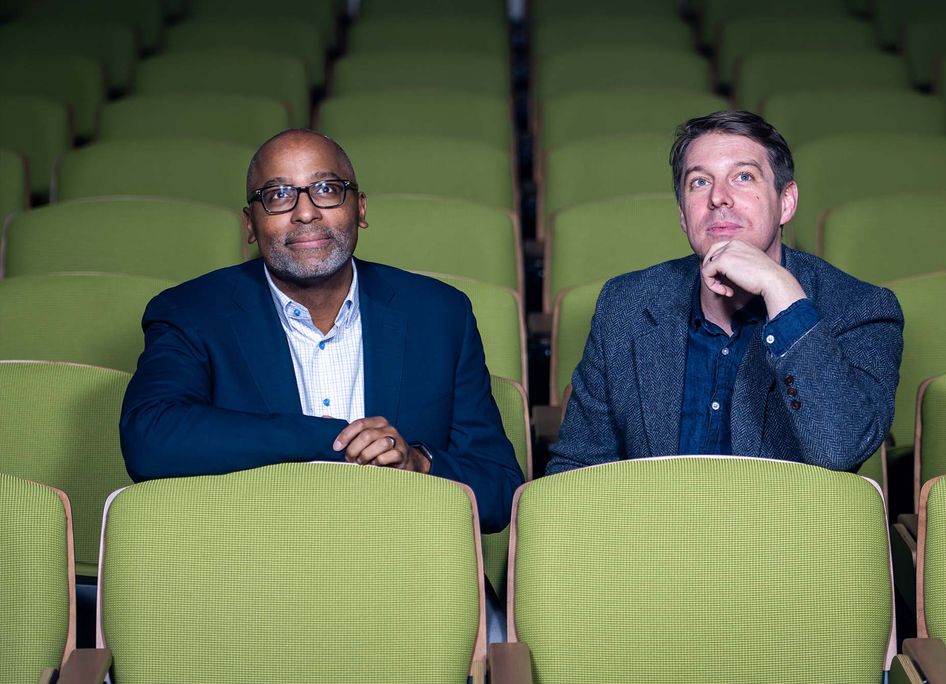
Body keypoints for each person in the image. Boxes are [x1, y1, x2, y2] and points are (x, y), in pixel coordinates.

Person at [120, 129, 524, 534]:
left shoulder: (439, 314)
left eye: (326, 189)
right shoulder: (192, 311)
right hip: (253, 567)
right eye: (278, 195)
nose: (306, 212)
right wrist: (329, 438)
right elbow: (149, 440)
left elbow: (500, 488)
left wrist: (419, 463)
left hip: (406, 563)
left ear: (360, 208)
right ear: (249, 224)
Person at [547, 110, 904, 474]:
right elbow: (577, 469)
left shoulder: (860, 308)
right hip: (651, 529)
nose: (719, 197)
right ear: (684, 215)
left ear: (786, 202)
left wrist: (780, 289)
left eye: (743, 177)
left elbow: (840, 449)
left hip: (787, 530)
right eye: (699, 182)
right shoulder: (625, 305)